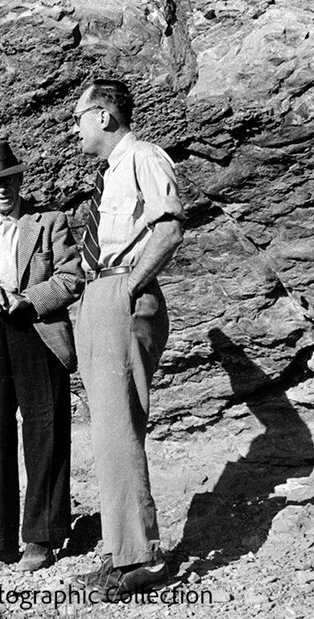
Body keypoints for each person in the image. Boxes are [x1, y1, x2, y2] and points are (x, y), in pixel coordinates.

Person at [69, 79, 185, 598]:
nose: (76, 129)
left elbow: (170, 229)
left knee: (118, 429)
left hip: (121, 293)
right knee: (110, 432)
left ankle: (144, 558)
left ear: (105, 117)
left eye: (80, 118)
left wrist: (128, 289)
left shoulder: (144, 157)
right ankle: (127, 552)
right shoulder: (113, 170)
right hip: (100, 295)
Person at [0, 142, 83, 573]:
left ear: (20, 180)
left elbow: (71, 277)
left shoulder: (49, 222)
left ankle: (41, 538)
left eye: (7, 181)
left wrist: (29, 300)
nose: (1, 191)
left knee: (46, 431)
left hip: (36, 331)